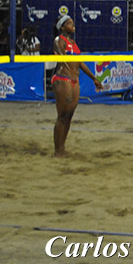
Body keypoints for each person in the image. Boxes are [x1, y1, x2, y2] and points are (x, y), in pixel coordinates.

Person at [51, 15, 103, 157]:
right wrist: (69, 71)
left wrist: (94, 79)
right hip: (63, 78)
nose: (72, 25)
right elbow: (61, 58)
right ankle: (57, 151)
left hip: (74, 80)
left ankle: (62, 148)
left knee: (69, 116)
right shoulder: (59, 40)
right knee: (62, 116)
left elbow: (80, 63)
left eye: (72, 23)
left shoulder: (73, 42)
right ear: (62, 27)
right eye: (69, 23)